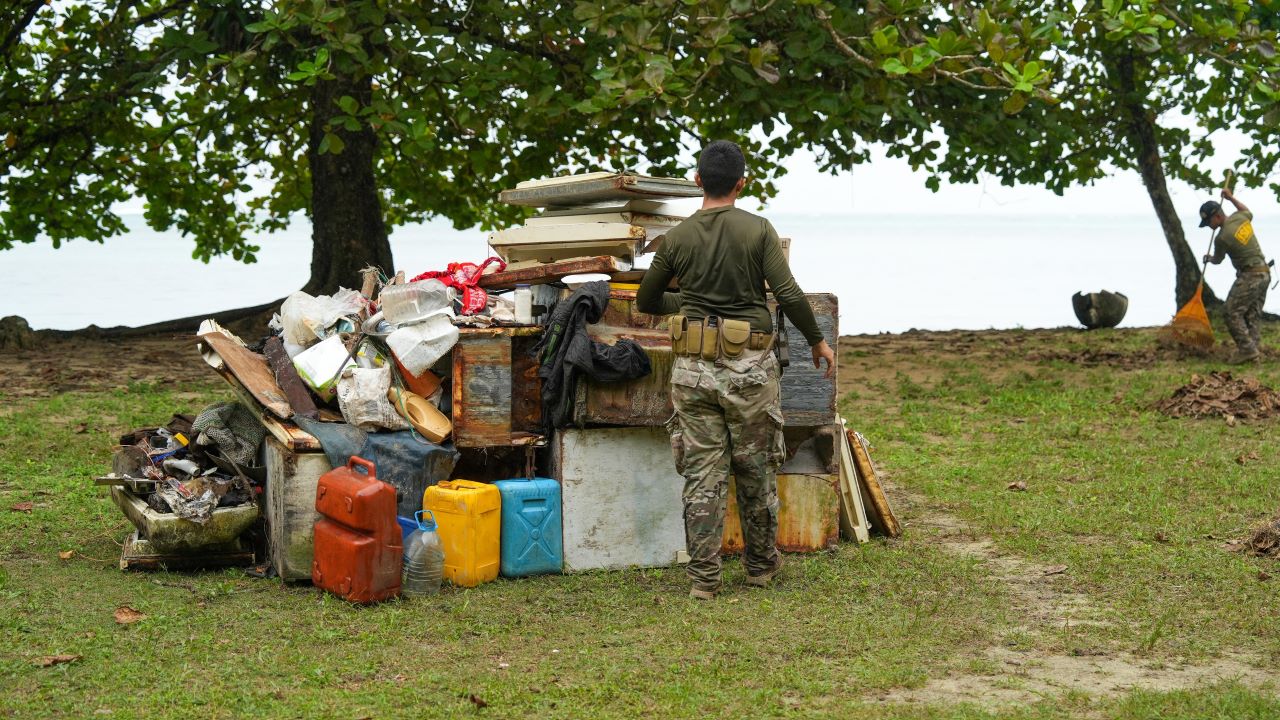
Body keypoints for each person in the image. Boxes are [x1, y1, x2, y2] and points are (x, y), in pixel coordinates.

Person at [636, 140, 837, 600]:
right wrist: (817, 340)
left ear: (697, 181)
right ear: (742, 183)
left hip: (692, 372)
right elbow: (788, 294)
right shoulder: (758, 229)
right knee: (755, 468)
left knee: (701, 474)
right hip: (750, 371)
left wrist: (689, 304)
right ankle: (761, 568)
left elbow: (648, 300)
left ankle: (704, 580)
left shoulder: (678, 237)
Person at [1200, 187, 1270, 364]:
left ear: (1217, 216)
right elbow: (1247, 211)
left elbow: (1218, 260)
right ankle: (1253, 353)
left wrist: (1208, 259)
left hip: (1250, 276)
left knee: (1230, 312)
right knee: (1252, 314)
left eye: (1208, 222)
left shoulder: (1222, 238)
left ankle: (1247, 350)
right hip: (1264, 273)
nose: (1209, 226)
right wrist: (1231, 198)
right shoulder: (1240, 218)